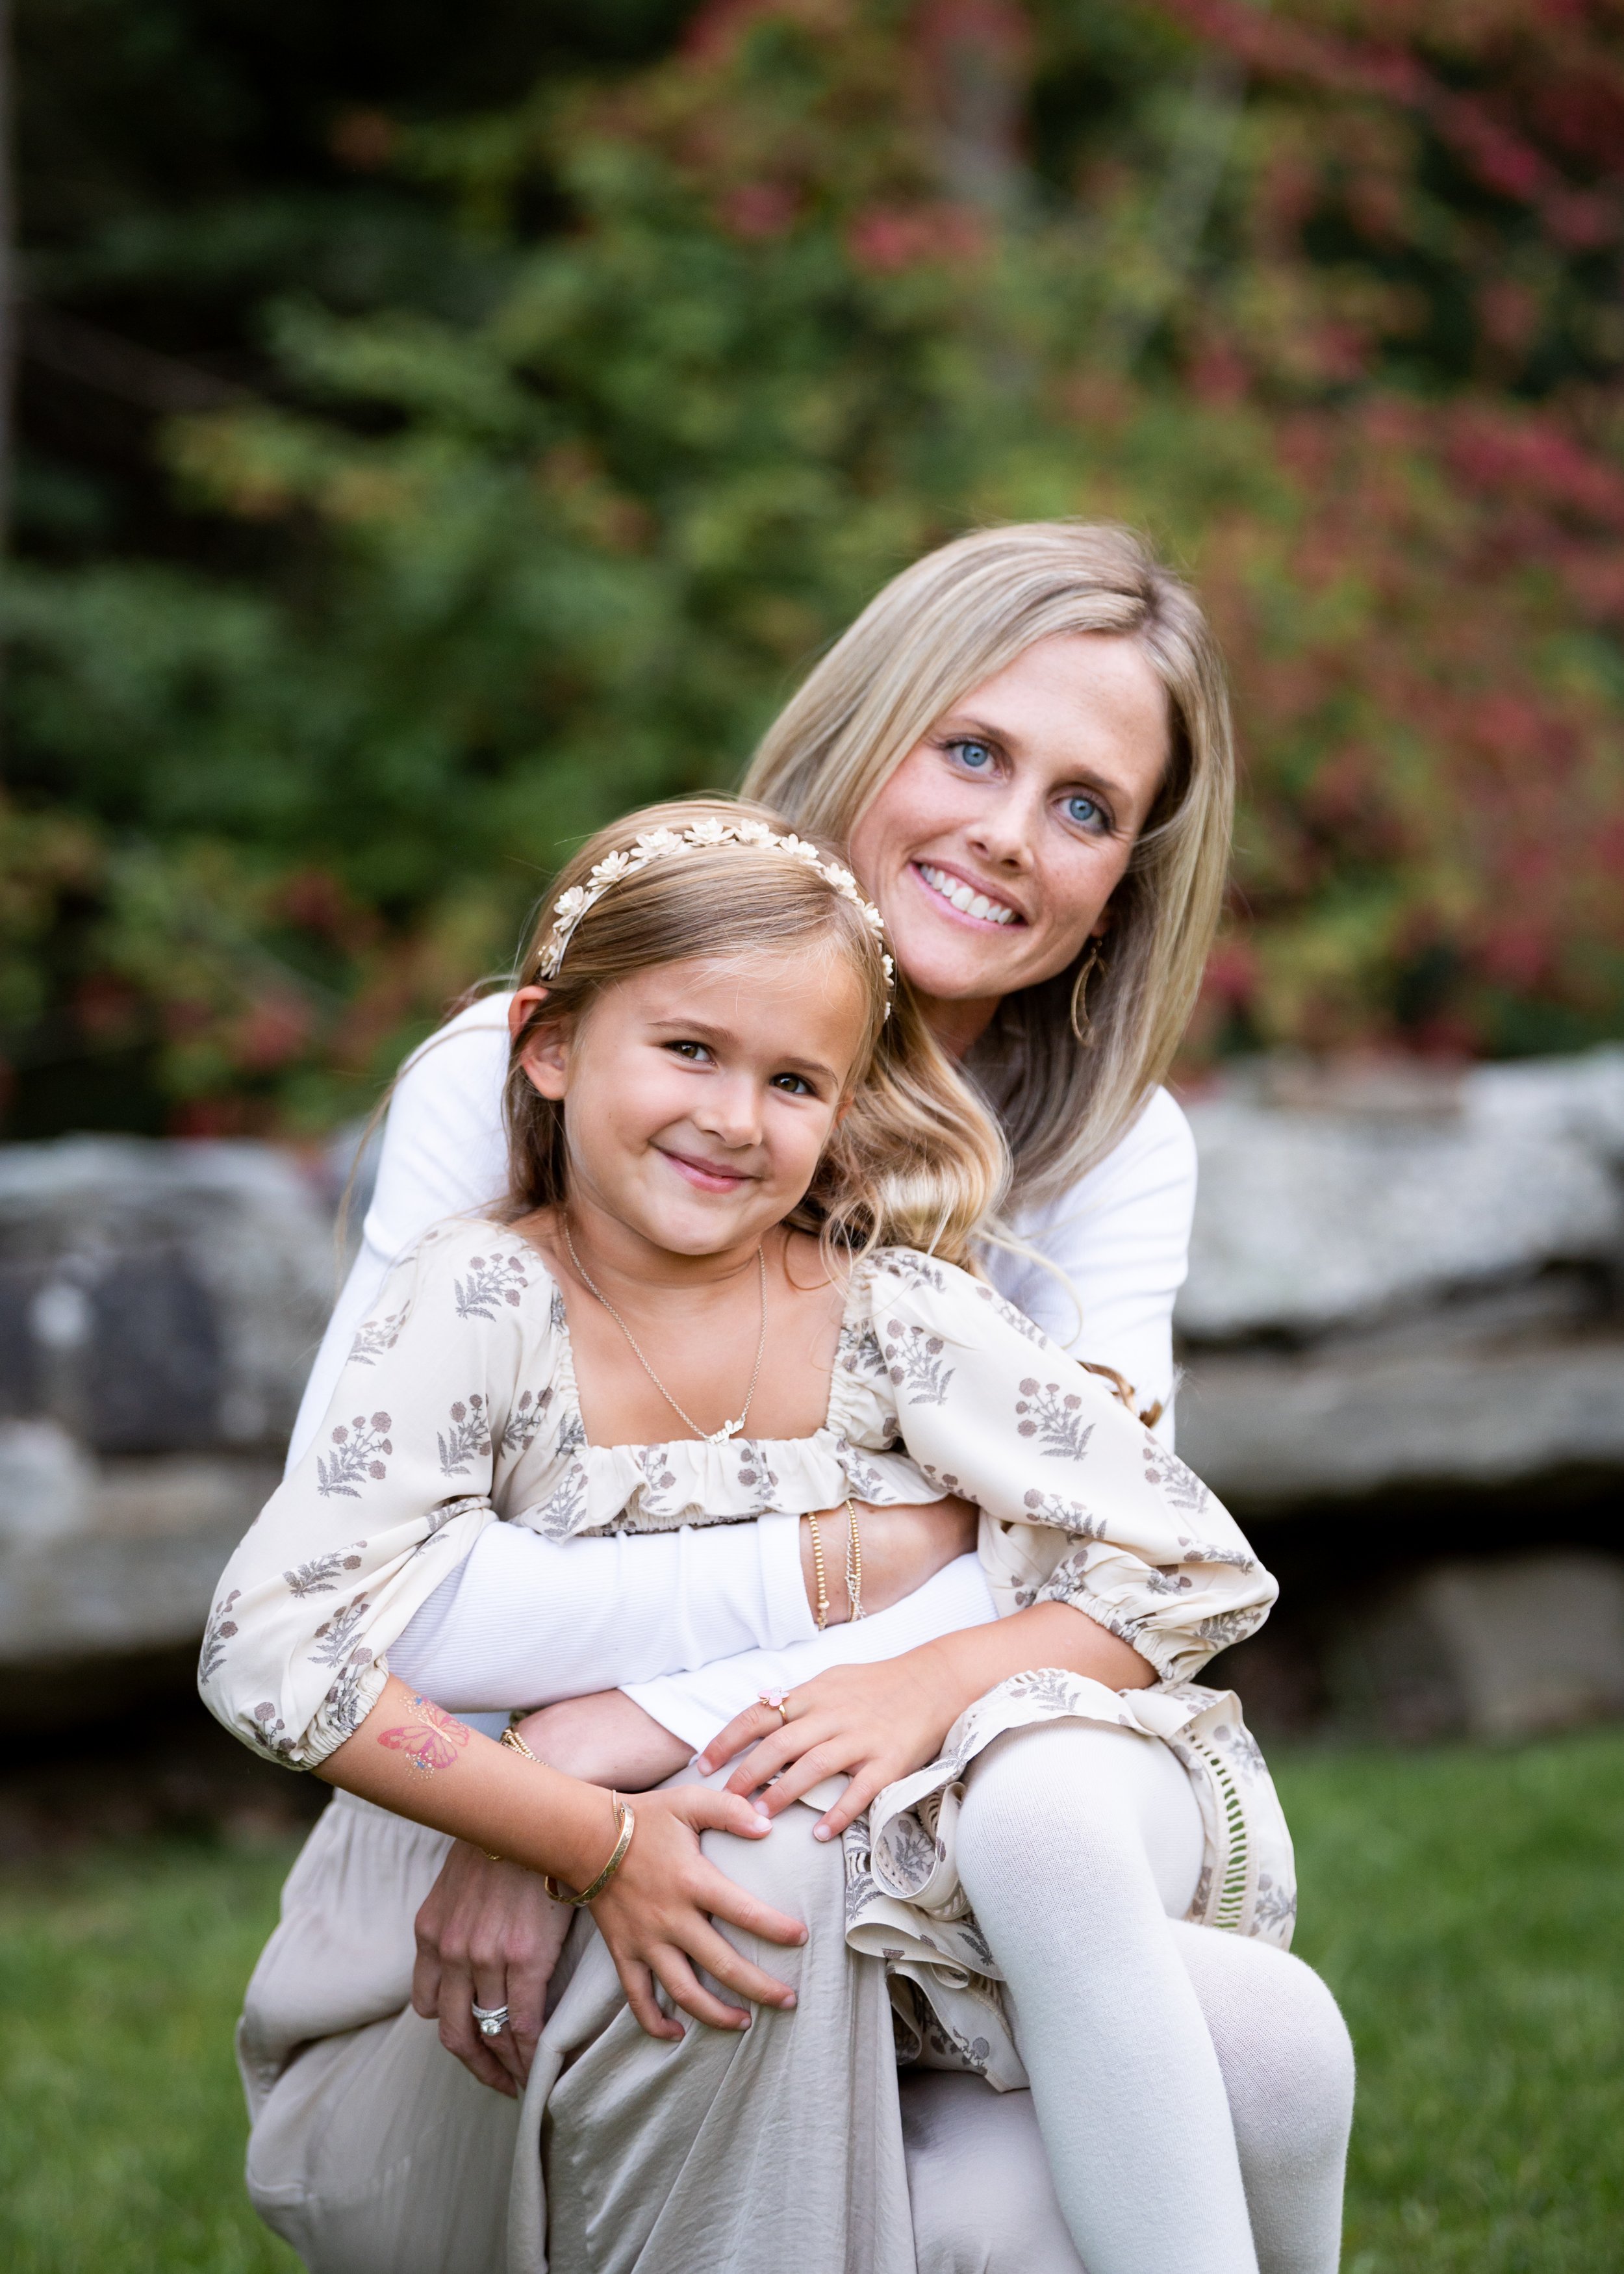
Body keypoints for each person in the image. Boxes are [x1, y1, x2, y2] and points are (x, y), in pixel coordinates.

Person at [240, 522, 1354, 2271]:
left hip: (978, 1770)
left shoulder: (1099, 1165)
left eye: (1082, 805)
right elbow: (379, 1603)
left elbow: (1095, 1571)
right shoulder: (541, 1080)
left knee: (1114, 1879)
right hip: (665, 1831)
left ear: (1125, 877)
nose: (1007, 829)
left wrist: (613, 1722)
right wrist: (569, 1781)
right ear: (868, 730)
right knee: (1193, 2086)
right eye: (973, 747)